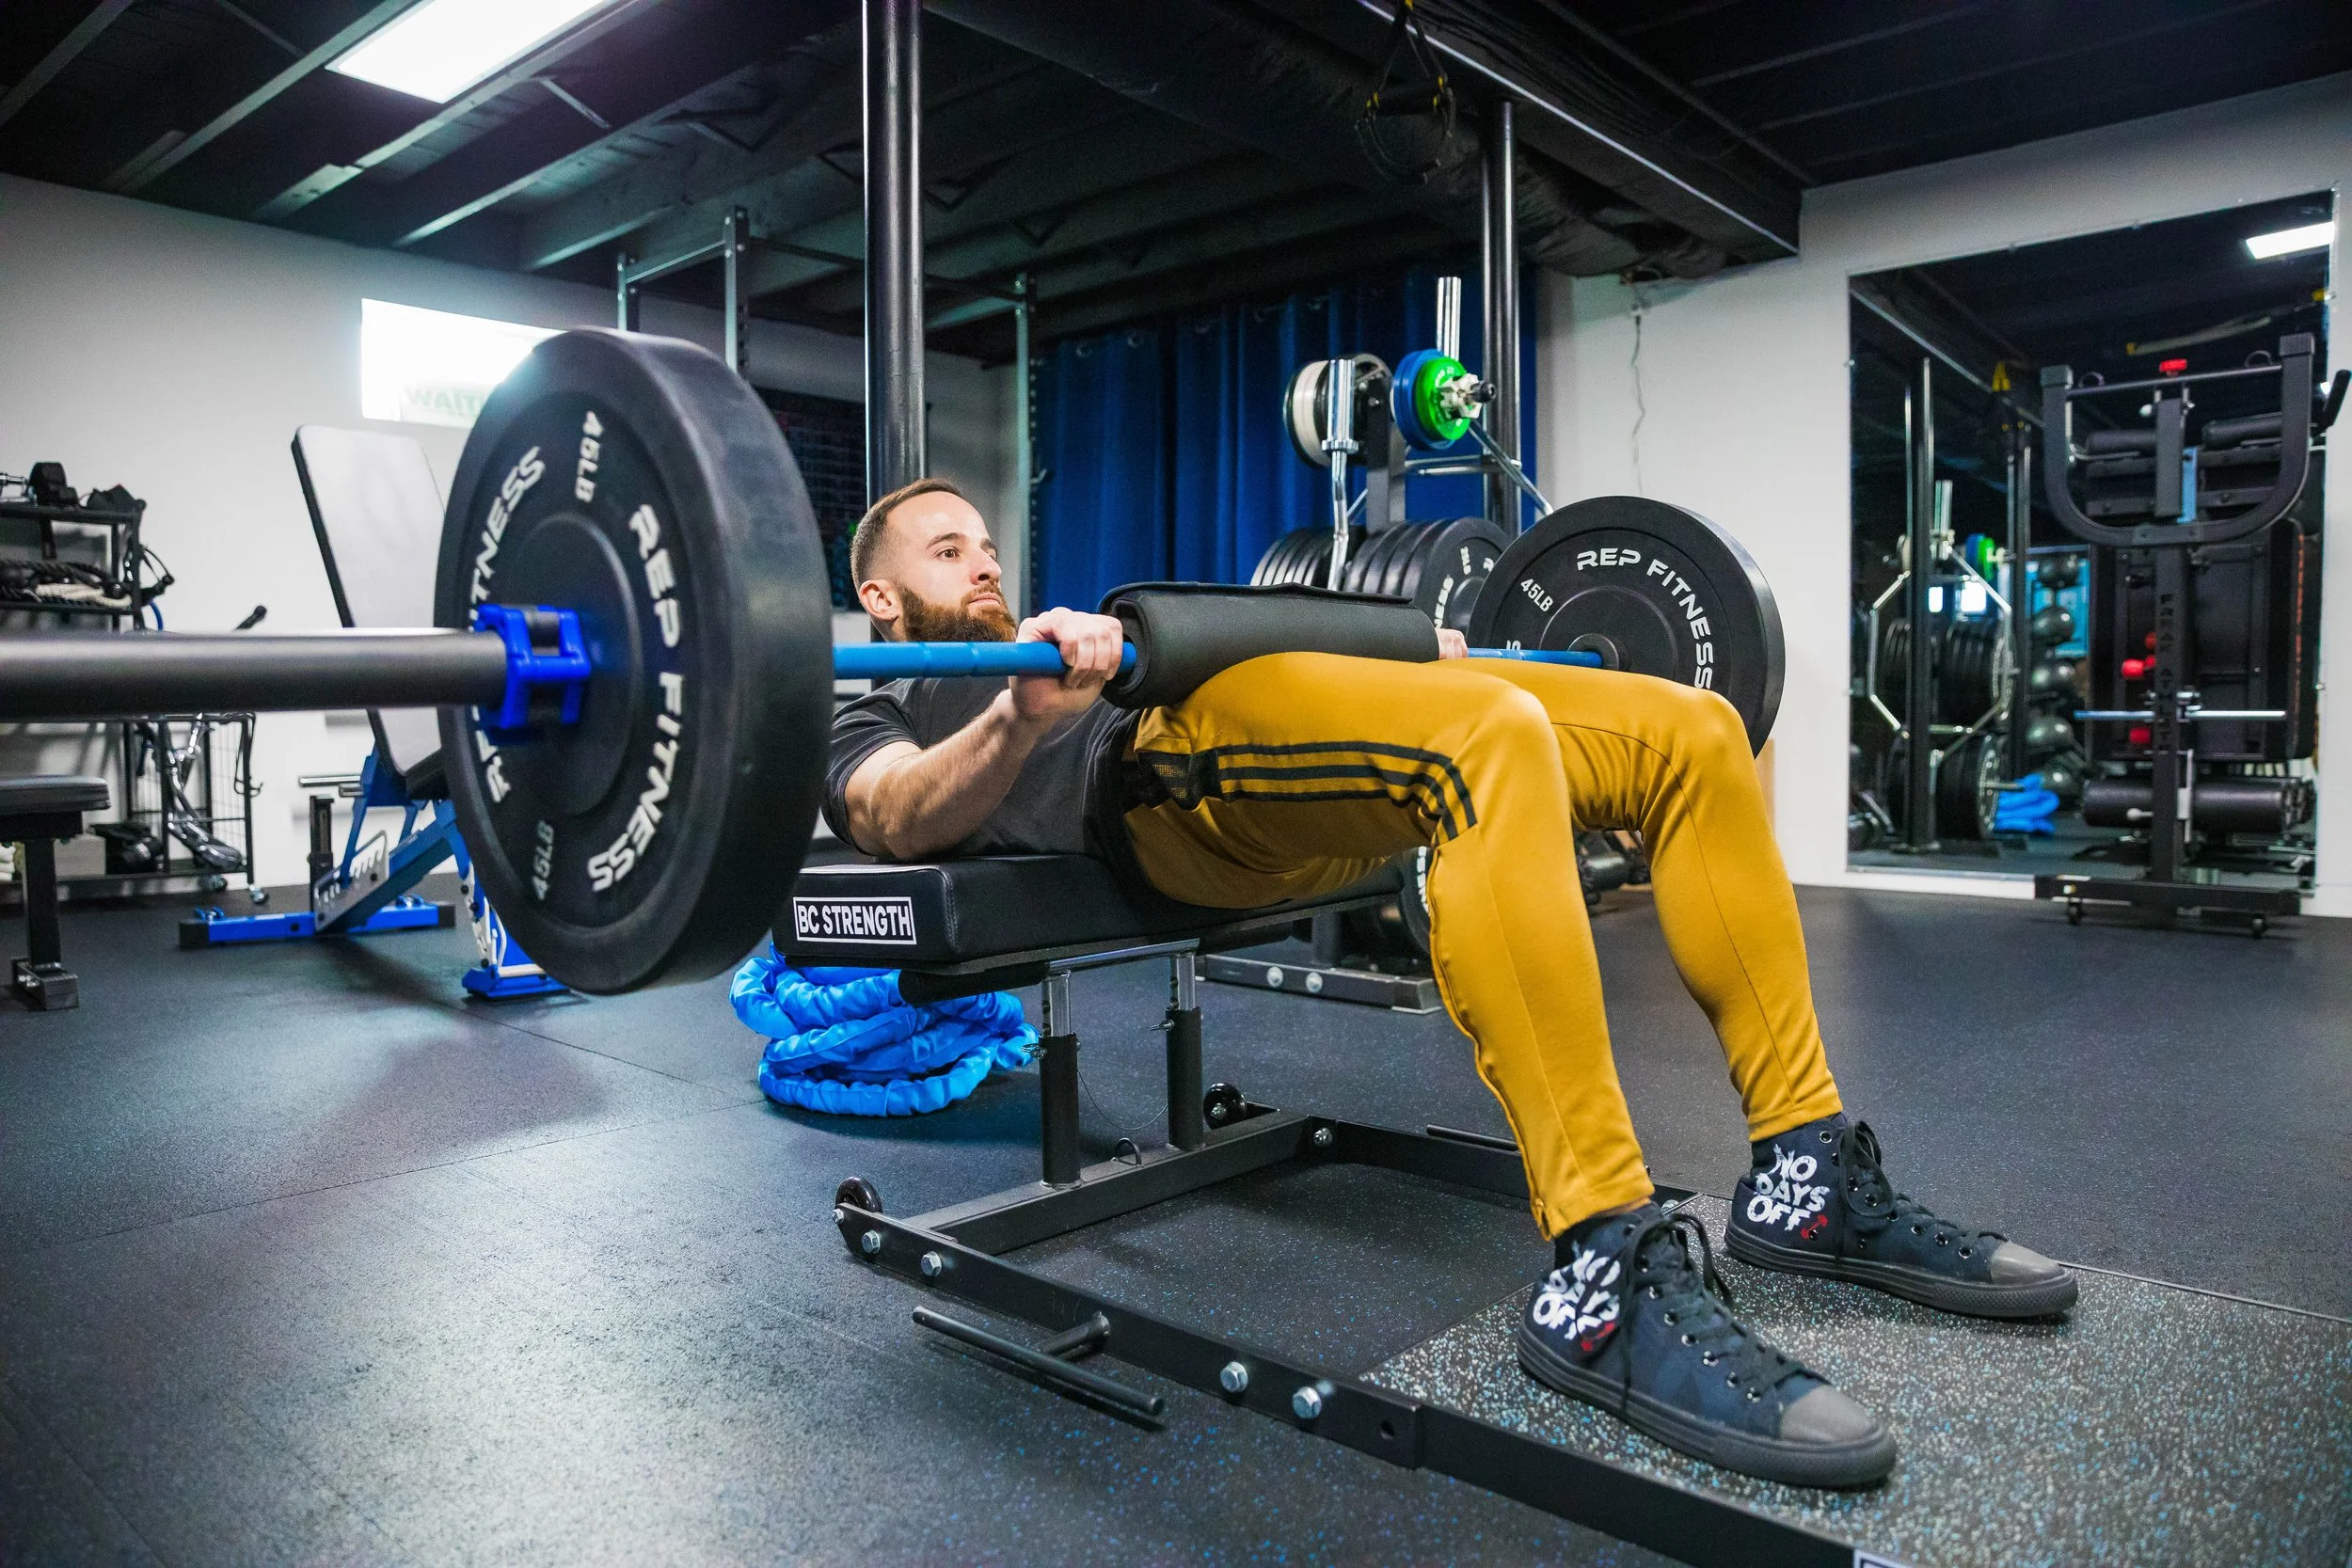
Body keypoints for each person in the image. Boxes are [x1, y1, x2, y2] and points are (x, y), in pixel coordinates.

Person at [828, 478, 2075, 1489]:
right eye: (949, 550)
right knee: (1493, 739)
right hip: (1166, 777)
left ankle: (1805, 1176)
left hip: (1244, 698)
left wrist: (1392, 645)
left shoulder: (1057, 640)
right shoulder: (874, 691)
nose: (983, 565)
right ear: (879, 590)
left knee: (1694, 733)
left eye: (989, 544)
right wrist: (1016, 715)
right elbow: (890, 818)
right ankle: (1599, 1271)